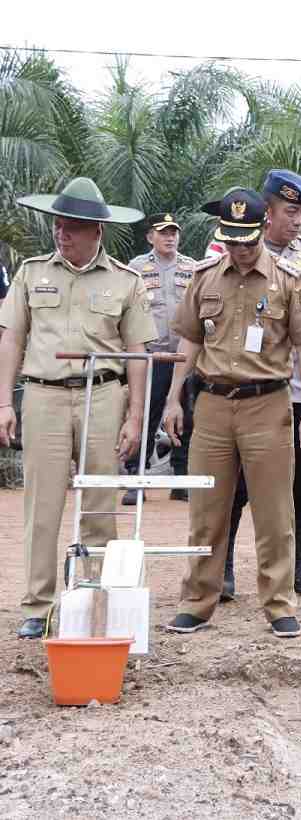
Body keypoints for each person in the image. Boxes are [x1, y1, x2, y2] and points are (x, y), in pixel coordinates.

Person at [162, 187, 301, 639]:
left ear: (263, 229)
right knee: (206, 511)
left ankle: (279, 604)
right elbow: (190, 342)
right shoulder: (206, 276)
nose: (239, 250)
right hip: (212, 405)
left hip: (267, 405)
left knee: (275, 512)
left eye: (247, 241)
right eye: (231, 241)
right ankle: (197, 600)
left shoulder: (291, 280)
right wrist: (174, 398)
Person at [0, 177, 157, 639]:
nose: (61, 234)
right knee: (42, 506)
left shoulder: (125, 282)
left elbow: (138, 353)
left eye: (71, 227)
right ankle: (39, 605)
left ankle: (90, 598)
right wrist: (3, 401)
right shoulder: (31, 273)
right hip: (44, 395)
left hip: (104, 396)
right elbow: (11, 339)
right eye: (58, 226)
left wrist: (135, 416)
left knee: (99, 504)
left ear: (97, 232)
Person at [223, 170, 301, 600]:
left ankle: (299, 565)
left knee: (299, 481)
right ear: (266, 212)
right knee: (236, 485)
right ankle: (224, 568)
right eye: (291, 211)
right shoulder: (232, 248)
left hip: (294, 388)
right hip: (245, 388)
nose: (299, 221)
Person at [122, 212, 197, 505]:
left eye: (173, 232)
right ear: (150, 237)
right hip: (152, 357)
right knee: (144, 417)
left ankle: (182, 478)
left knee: (187, 418)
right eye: (163, 232)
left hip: (185, 357)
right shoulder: (136, 269)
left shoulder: (192, 268)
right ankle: (135, 478)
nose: (169, 237)